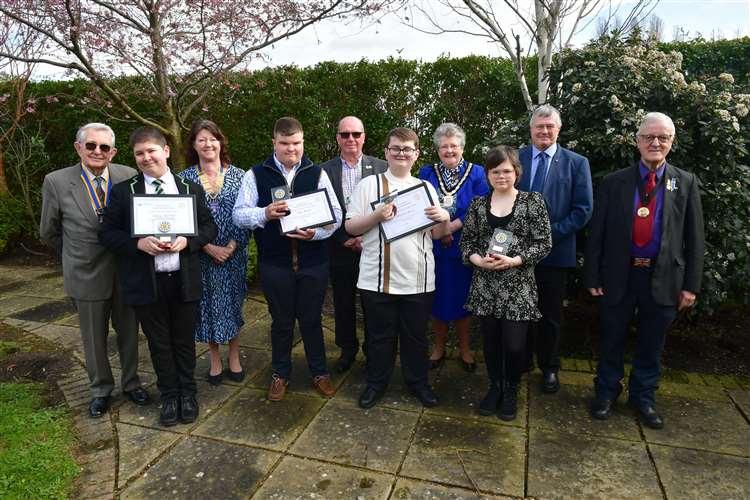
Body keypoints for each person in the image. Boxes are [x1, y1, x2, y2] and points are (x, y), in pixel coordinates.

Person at [584, 112, 704, 429]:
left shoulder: (685, 182)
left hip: (664, 277)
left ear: (671, 142)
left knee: (652, 344)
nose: (655, 143)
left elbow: (695, 237)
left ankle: (643, 398)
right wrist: (593, 275)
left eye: (662, 137)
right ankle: (606, 393)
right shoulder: (614, 182)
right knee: (611, 338)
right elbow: (598, 232)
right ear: (637, 141)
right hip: (619, 276)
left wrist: (691, 285)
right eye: (649, 137)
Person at [99, 127, 217, 427]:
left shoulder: (190, 189)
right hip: (146, 282)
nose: (145, 157)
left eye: (151, 150)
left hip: (183, 279)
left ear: (165, 150)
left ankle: (188, 395)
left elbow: (208, 228)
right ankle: (169, 396)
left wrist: (188, 242)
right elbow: (107, 233)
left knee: (184, 342)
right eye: (139, 153)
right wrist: (136, 243)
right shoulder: (126, 192)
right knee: (159, 343)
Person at [40, 122, 150, 418]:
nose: (97, 152)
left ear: (113, 152)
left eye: (104, 147)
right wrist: (75, 255)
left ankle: (131, 383)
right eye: (91, 145)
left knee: (129, 333)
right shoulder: (57, 181)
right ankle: (101, 389)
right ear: (79, 147)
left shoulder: (128, 175)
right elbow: (48, 232)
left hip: (126, 271)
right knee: (93, 337)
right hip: (86, 273)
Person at [232, 117, 342, 401]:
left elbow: (337, 216)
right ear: (274, 144)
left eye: (296, 143)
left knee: (312, 320)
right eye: (284, 144)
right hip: (275, 263)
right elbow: (239, 214)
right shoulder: (255, 174)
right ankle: (280, 373)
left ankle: (319, 372)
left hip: (313, 263)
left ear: (302, 142)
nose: (291, 149)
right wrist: (264, 213)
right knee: (281, 322)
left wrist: (315, 233)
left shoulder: (317, 173)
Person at [345, 127, 451, 409]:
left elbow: (438, 234)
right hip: (376, 277)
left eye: (407, 149)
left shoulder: (426, 188)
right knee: (379, 336)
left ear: (416, 154)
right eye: (396, 148)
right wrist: (377, 215)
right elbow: (350, 226)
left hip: (418, 278)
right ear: (387, 152)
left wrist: (443, 217)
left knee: (415, 337)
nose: (401, 153)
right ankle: (376, 383)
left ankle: (418, 383)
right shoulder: (368, 186)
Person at [461, 145, 552, 420]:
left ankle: (511, 388)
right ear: (488, 174)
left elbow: (544, 243)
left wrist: (516, 260)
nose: (501, 176)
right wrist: (477, 260)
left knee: (514, 345)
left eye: (507, 171)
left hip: (518, 287)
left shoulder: (532, 201)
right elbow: (467, 243)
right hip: (486, 286)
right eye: (495, 171)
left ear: (517, 173)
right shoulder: (478, 204)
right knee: (490, 342)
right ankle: (495, 387)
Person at [519, 104, 593, 393]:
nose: (545, 131)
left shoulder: (577, 163)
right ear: (531, 129)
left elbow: (583, 210)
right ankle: (520, 361)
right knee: (520, 310)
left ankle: (549, 368)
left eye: (550, 126)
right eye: (540, 126)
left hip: (555, 252)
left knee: (550, 316)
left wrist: (546, 235)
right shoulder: (518, 158)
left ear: (558, 129)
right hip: (517, 253)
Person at [178, 120, 251, 385]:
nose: (208, 144)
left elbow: (247, 216)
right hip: (201, 256)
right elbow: (183, 222)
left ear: (221, 142)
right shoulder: (183, 180)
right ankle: (215, 359)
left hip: (234, 255)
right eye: (201, 140)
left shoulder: (242, 176)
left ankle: (234, 356)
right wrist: (208, 247)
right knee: (206, 308)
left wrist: (231, 247)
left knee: (233, 304)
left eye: (213, 139)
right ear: (193, 145)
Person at [418, 123, 489, 372]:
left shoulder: (478, 173)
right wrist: (439, 229)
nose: (449, 150)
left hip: (464, 247)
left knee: (462, 299)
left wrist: (449, 228)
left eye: (454, 145)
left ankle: (465, 348)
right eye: (444, 146)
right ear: (438, 149)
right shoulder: (426, 173)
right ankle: (438, 347)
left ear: (462, 147)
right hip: (432, 245)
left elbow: (479, 208)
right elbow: (418, 205)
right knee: (436, 299)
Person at [320, 116, 387, 373]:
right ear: (337, 138)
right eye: (345, 134)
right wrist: (344, 238)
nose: (351, 139)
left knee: (373, 303)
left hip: (372, 248)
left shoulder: (381, 167)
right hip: (340, 248)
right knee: (343, 303)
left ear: (364, 137)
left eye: (356, 134)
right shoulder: (324, 170)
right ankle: (347, 349)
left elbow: (389, 208)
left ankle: (373, 351)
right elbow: (322, 210)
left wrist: (364, 238)